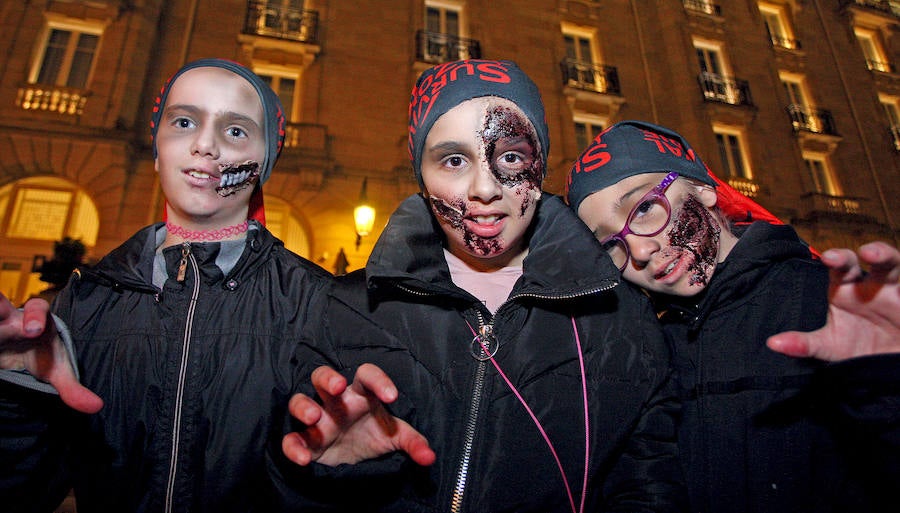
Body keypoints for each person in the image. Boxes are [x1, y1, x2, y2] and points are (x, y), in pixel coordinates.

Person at [269, 60, 687, 512]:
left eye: (510, 156)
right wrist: (325, 470)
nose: (484, 188)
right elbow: (281, 481)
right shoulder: (346, 308)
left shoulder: (621, 314)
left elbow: (648, 484)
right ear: (422, 176)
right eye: (453, 160)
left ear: (540, 162)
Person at [0, 58, 334, 512]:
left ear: (265, 163)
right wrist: (17, 392)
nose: (204, 144)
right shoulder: (86, 299)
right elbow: (25, 490)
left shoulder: (319, 303)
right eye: (183, 122)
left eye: (236, 131)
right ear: (157, 149)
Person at [564, 119, 899, 512]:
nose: (638, 252)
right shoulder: (648, 350)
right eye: (610, 244)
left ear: (703, 189)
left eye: (645, 209)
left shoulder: (828, 302)